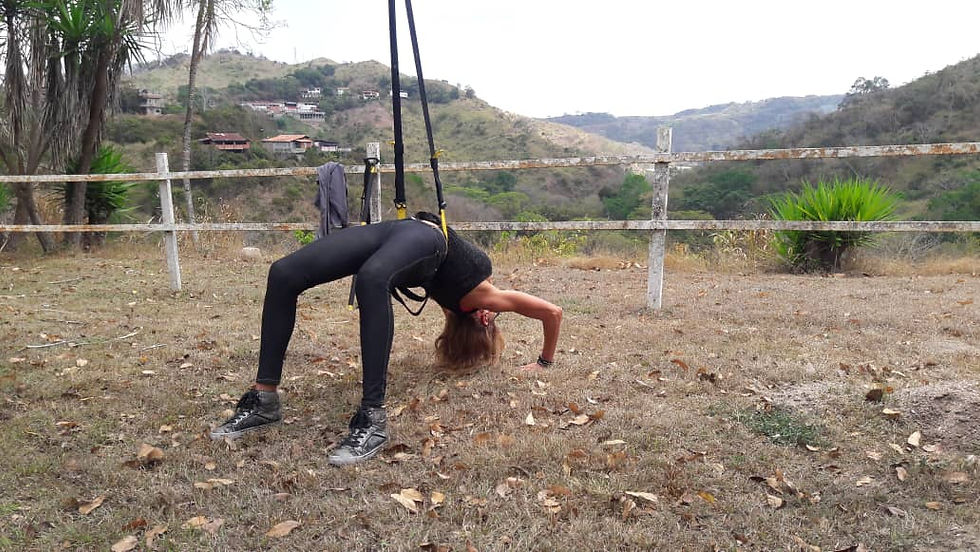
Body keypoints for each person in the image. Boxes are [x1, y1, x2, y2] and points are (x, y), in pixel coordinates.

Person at [210, 212, 563, 466]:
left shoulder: (478, 301)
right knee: (283, 272)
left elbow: (552, 312)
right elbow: (551, 312)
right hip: (405, 231)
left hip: (423, 238)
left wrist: (543, 362)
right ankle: (264, 401)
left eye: (493, 321)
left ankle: (373, 417)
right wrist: (542, 361)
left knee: (372, 278)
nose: (493, 317)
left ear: (481, 322)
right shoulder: (469, 300)